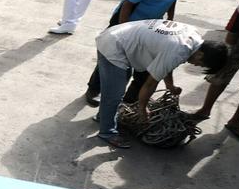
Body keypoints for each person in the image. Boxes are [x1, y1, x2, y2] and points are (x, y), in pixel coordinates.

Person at [84, 0, 215, 106]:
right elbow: (128, 4)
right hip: (128, 20)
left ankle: (130, 101)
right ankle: (94, 89)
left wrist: (170, 19)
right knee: (114, 58)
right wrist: (122, 32)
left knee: (146, 68)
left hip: (153, 24)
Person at [91, 19, 227, 149]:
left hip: (119, 35)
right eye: (200, 64)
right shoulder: (178, 50)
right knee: (114, 93)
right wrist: (142, 109)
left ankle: (104, 116)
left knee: (116, 88)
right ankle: (107, 132)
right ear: (200, 55)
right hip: (114, 44)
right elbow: (150, 84)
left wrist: (170, 86)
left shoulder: (193, 36)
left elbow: (167, 63)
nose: (196, 65)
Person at [188, 0, 239, 139]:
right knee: (222, 71)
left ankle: (235, 121)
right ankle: (205, 110)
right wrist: (227, 57)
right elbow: (231, 37)